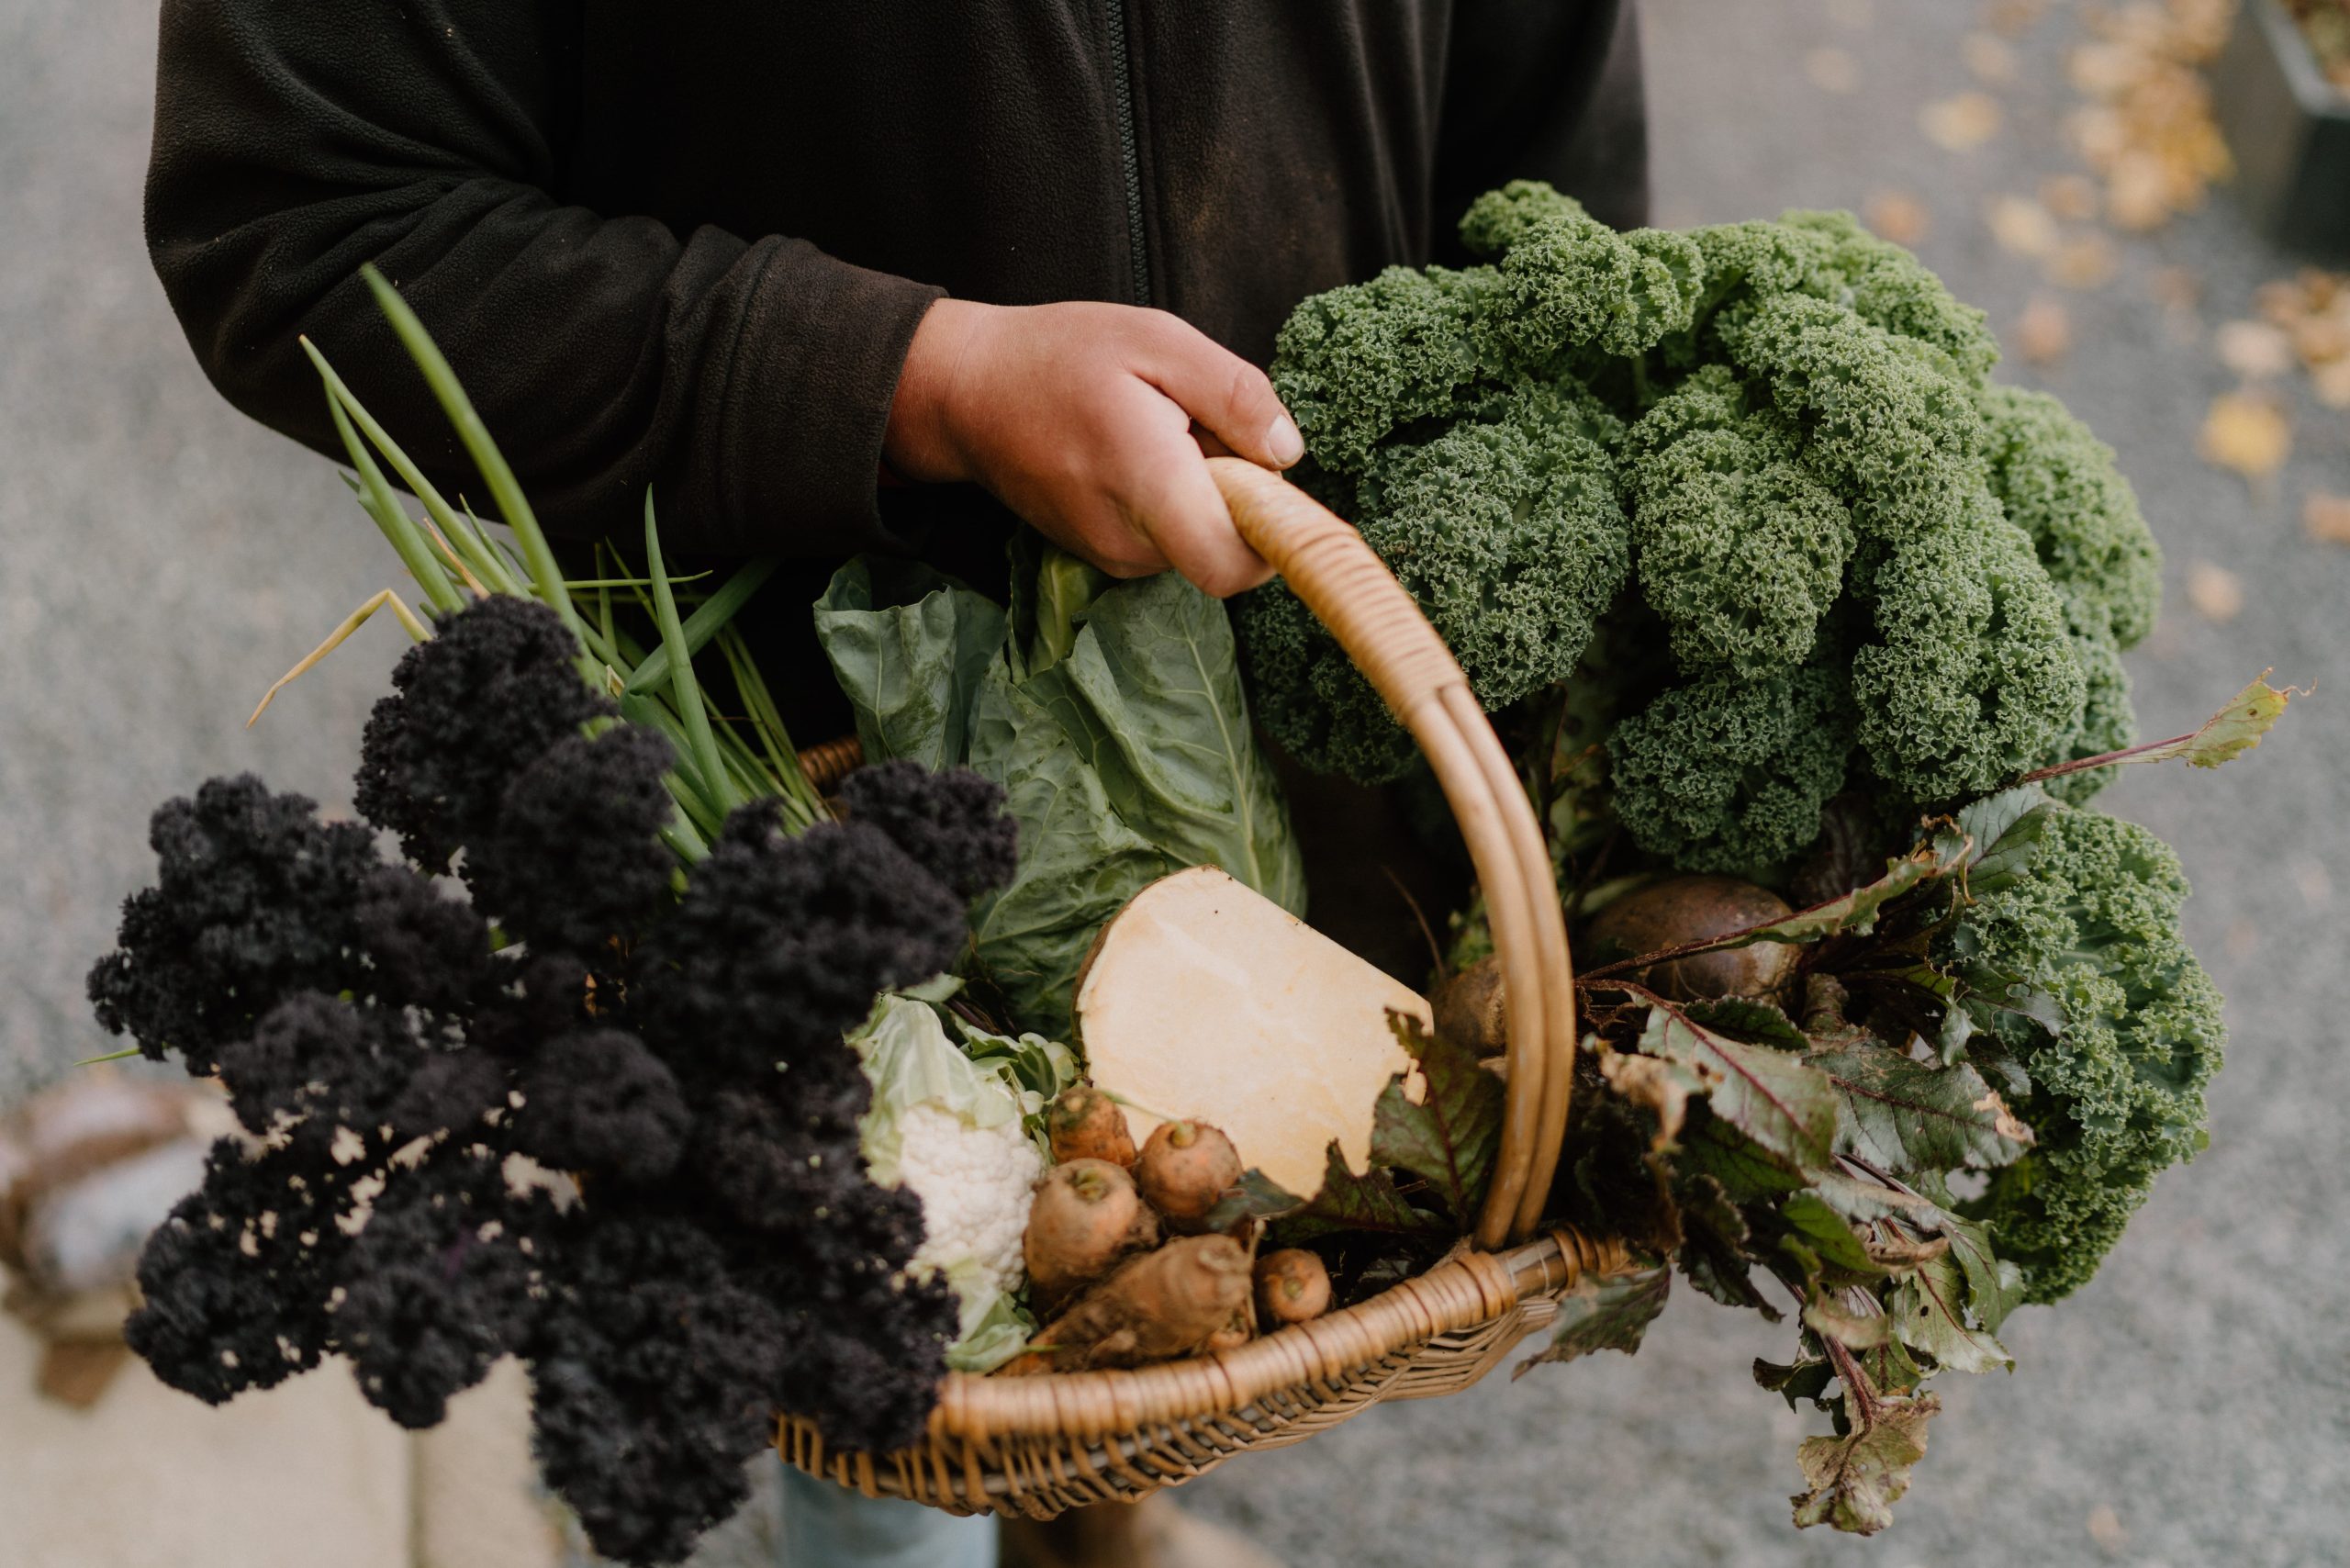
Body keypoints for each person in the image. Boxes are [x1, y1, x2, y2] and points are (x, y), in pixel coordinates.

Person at [144, 5, 1648, 1563]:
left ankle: (1094, 1493)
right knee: (897, 1362)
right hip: (802, 733)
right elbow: (295, 218)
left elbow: (1554, 157)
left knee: (1172, 1212)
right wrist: (918, 381)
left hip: (1309, 687)